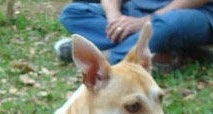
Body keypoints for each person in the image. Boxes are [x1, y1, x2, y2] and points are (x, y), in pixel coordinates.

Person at [54, 0, 213, 68]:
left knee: (168, 24)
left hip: (190, 12)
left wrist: (144, 22)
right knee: (73, 13)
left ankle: (106, 57)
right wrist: (113, 17)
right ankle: (158, 51)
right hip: (134, 10)